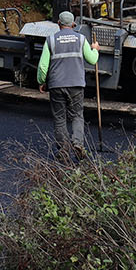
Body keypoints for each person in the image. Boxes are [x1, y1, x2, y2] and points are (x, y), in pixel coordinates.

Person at [36, 10, 99, 160]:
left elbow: (43, 66)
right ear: (73, 24)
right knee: (77, 115)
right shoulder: (81, 39)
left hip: (56, 85)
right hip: (76, 84)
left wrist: (41, 82)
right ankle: (77, 144)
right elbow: (91, 60)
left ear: (58, 24)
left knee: (59, 118)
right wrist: (95, 50)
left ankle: (63, 151)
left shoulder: (50, 40)